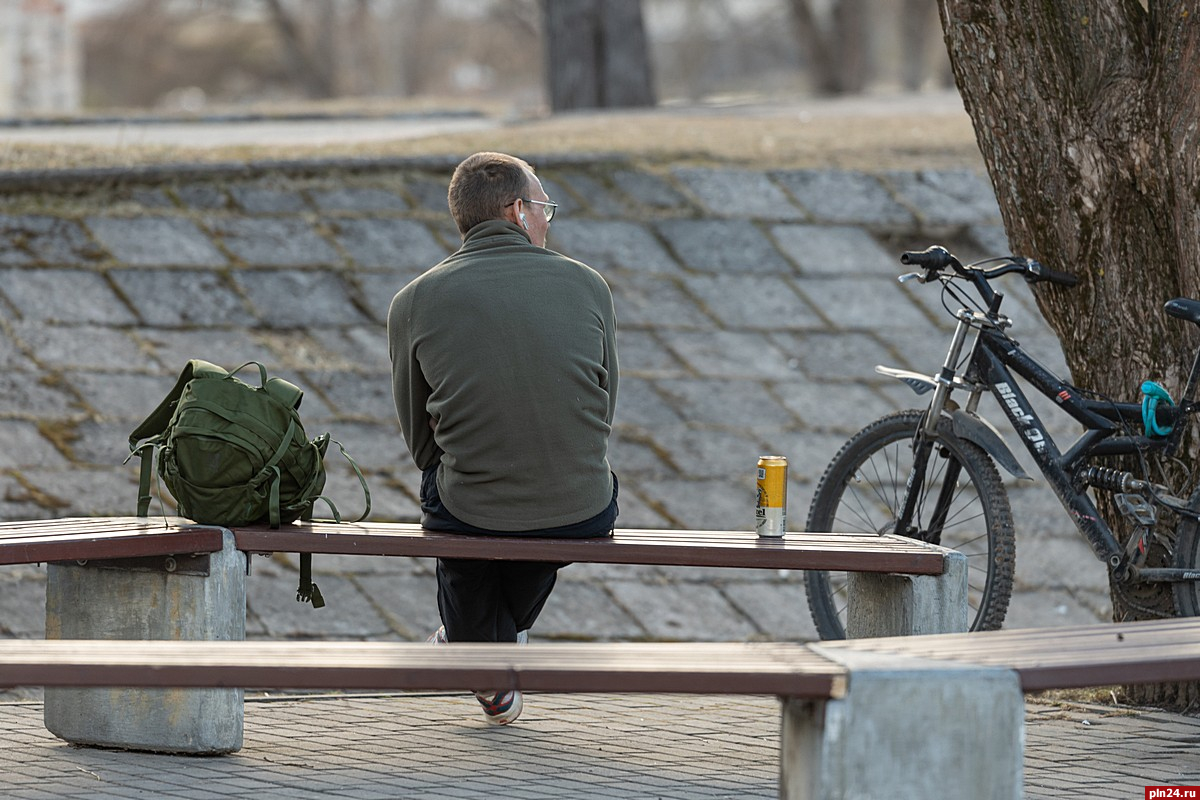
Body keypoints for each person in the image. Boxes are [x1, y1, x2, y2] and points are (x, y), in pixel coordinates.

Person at [387, 152, 620, 725]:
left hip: (472, 504)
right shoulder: (589, 285)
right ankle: (488, 645)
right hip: (583, 505)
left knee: (458, 506)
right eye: (544, 207)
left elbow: (419, 440)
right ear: (518, 210)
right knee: (539, 485)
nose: (548, 220)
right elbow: (602, 407)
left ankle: (476, 656)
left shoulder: (414, 301)